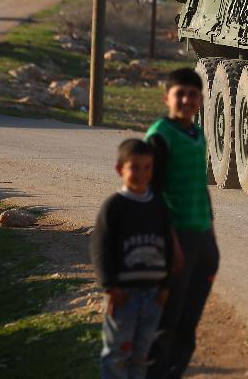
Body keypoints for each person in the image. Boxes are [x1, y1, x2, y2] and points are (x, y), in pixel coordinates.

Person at [145, 68, 217, 379]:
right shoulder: (160, 136)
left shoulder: (196, 133)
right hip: (174, 241)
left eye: (193, 94)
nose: (187, 100)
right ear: (167, 98)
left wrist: (211, 240)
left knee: (188, 322)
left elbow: (200, 186)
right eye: (180, 94)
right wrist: (171, 245)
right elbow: (153, 195)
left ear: (200, 100)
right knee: (166, 321)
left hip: (201, 239)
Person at [91, 138, 176, 379]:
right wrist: (110, 287)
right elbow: (100, 248)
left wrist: (166, 286)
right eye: (135, 167)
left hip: (153, 296)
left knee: (141, 356)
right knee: (117, 355)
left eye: (147, 167)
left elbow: (168, 246)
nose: (141, 174)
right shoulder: (114, 207)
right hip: (124, 296)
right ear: (120, 169)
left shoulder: (159, 205)